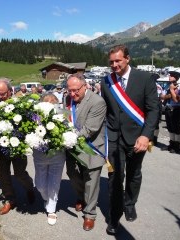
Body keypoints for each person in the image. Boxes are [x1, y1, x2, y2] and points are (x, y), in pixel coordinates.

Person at [101, 45, 159, 234]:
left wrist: (146, 135)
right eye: (111, 62)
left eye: (118, 61)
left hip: (138, 137)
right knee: (115, 177)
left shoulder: (144, 78)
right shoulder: (105, 82)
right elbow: (106, 110)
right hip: (115, 137)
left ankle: (130, 203)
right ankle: (115, 216)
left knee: (134, 174)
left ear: (127, 58)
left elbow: (153, 110)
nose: (114, 65)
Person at [65, 73, 106, 231]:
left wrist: (66, 138)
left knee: (91, 183)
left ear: (85, 86)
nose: (72, 94)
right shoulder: (68, 99)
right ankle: (81, 197)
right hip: (72, 148)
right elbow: (66, 118)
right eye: (70, 90)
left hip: (91, 148)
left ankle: (90, 214)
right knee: (73, 176)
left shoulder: (97, 101)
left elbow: (90, 129)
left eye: (76, 90)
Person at [0, 78, 35, 215]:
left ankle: (29, 188)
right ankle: (10, 200)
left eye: (3, 93)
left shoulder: (19, 102)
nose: (1, 96)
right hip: (2, 147)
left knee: (19, 174)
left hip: (18, 146)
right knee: (4, 176)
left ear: (10, 90)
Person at [33, 93, 66, 226]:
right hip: (40, 156)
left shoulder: (63, 114)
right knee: (40, 185)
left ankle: (52, 210)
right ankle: (46, 199)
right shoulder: (35, 116)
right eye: (47, 101)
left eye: (53, 101)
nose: (50, 102)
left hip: (58, 156)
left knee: (54, 183)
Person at [160, 71, 180, 153]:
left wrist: (172, 90)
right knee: (169, 127)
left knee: (176, 128)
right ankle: (171, 143)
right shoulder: (168, 85)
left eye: (171, 76)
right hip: (168, 108)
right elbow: (161, 96)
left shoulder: (178, 87)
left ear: (175, 77)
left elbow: (176, 100)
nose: (169, 77)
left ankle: (177, 145)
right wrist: (166, 96)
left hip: (176, 108)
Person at [152, 74, 163, 146]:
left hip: (156, 104)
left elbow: (158, 97)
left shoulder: (157, 86)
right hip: (150, 104)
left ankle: (155, 138)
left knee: (156, 124)